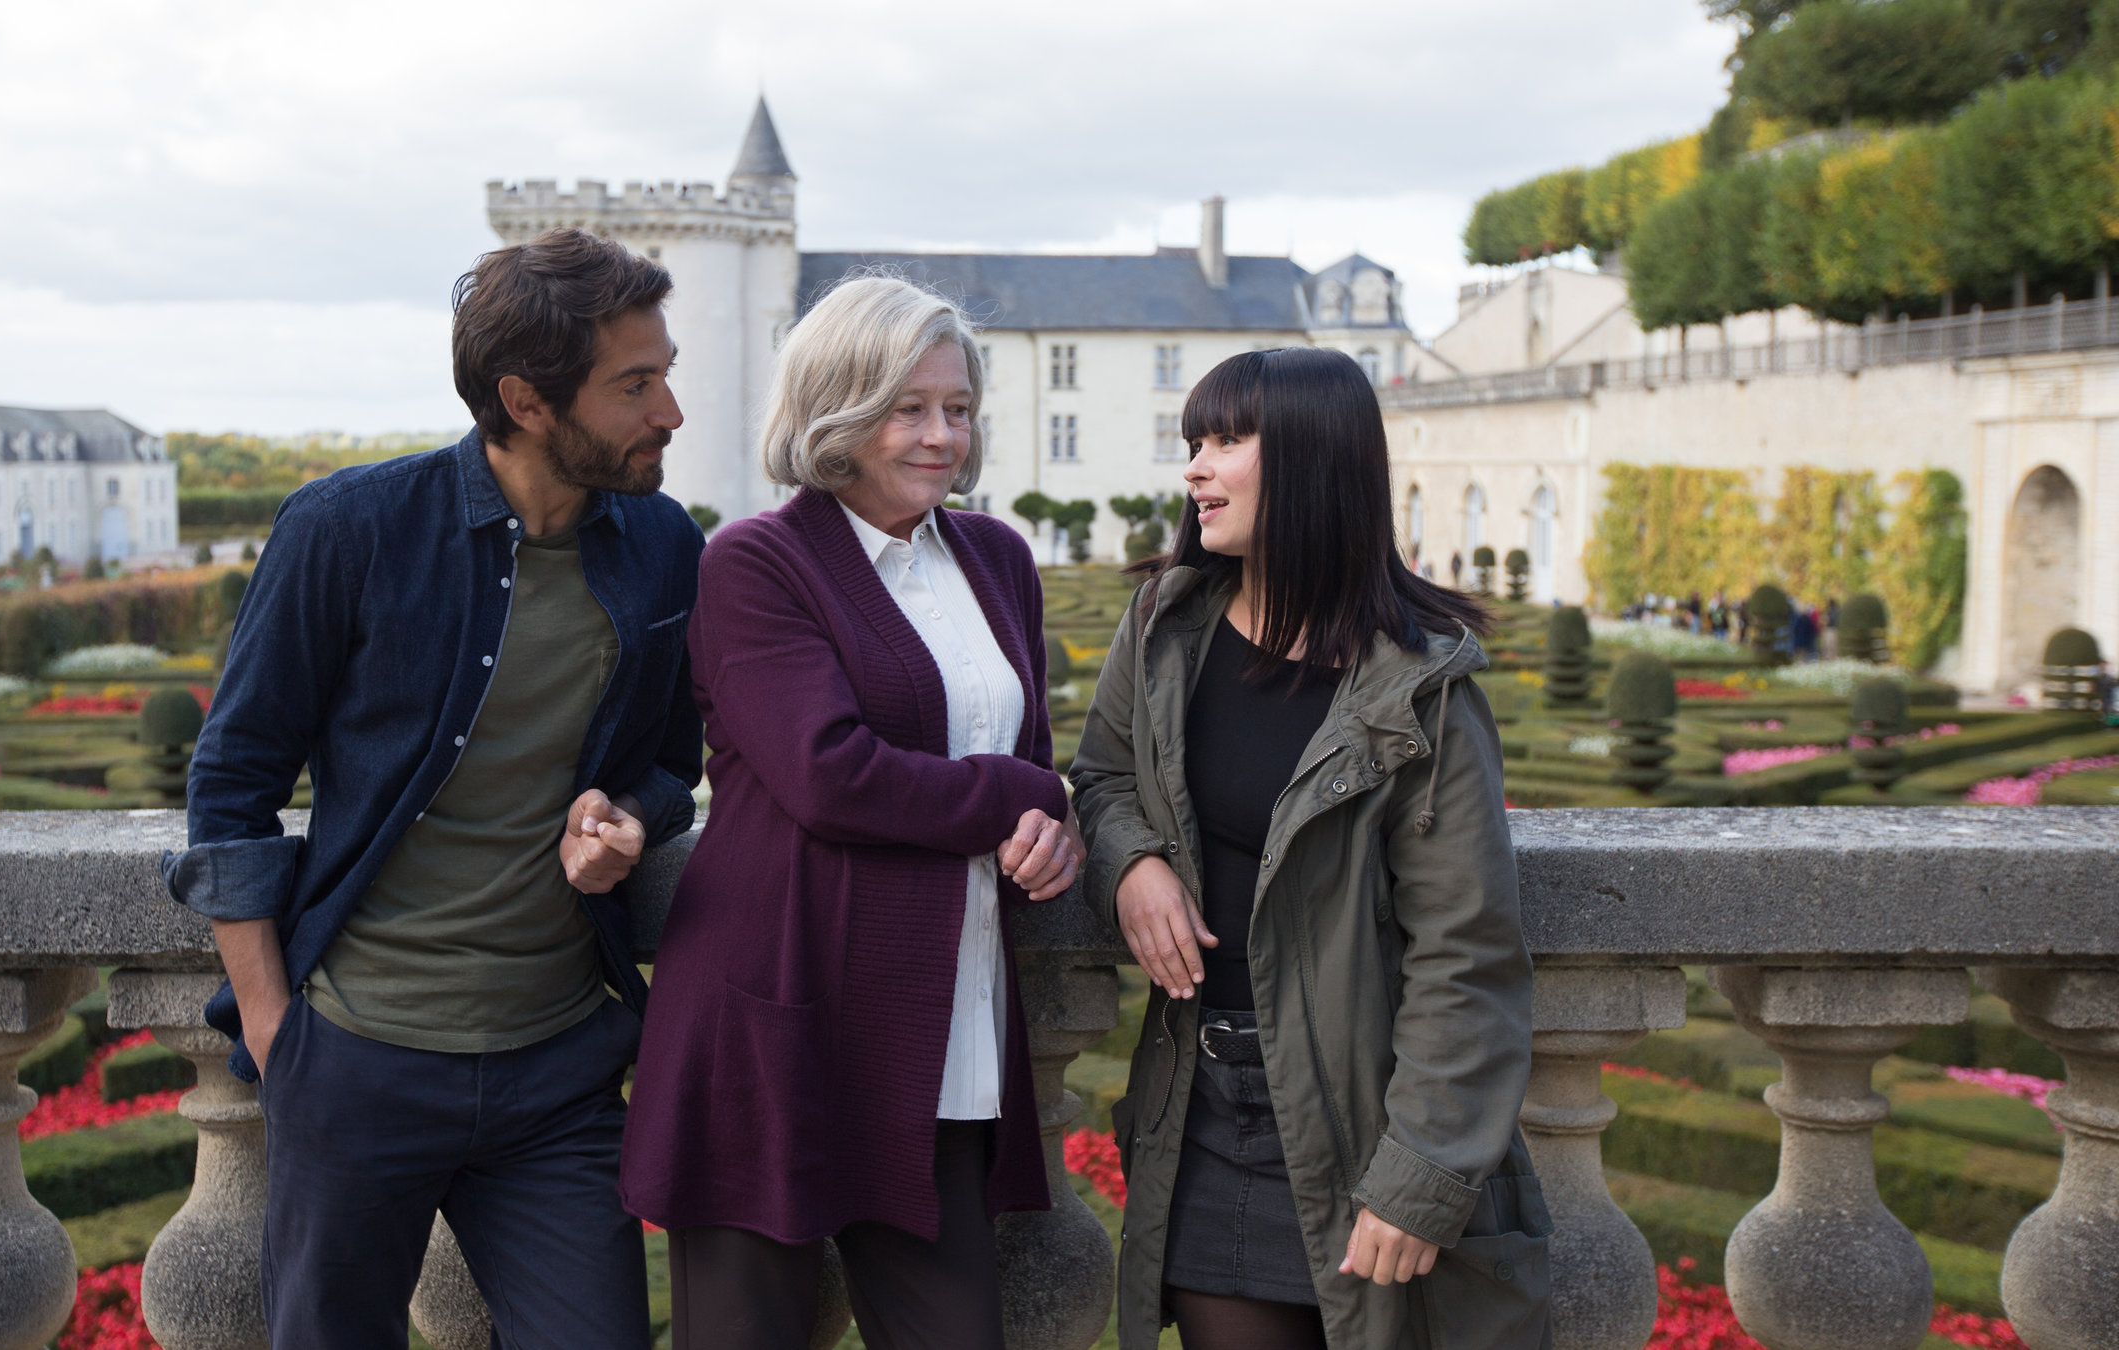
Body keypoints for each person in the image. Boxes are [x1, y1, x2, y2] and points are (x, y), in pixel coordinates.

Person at [163, 227, 705, 1349]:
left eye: (667, 374)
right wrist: (278, 1037)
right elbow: (232, 783)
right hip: (356, 1067)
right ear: (528, 399)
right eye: (636, 384)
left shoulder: (661, 544)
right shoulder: (348, 530)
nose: (671, 413)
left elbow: (673, 763)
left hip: (558, 1073)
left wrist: (628, 821)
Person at [622, 275, 1080, 1350]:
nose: (941, 435)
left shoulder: (1000, 559)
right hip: (777, 1014)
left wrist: (1051, 828)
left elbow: (1034, 757)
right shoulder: (758, 563)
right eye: (907, 407)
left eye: (957, 408)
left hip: (943, 1023)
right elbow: (830, 774)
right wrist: (1020, 798)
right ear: (836, 406)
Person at [1071, 348, 1548, 1350]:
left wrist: (1420, 1176)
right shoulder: (1164, 626)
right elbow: (1104, 779)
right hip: (1205, 1105)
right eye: (1193, 443)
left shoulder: (1423, 690)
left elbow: (1466, 953)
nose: (1195, 467)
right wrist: (1134, 864)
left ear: (1315, 462)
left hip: (1360, 1122)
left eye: (1226, 441)